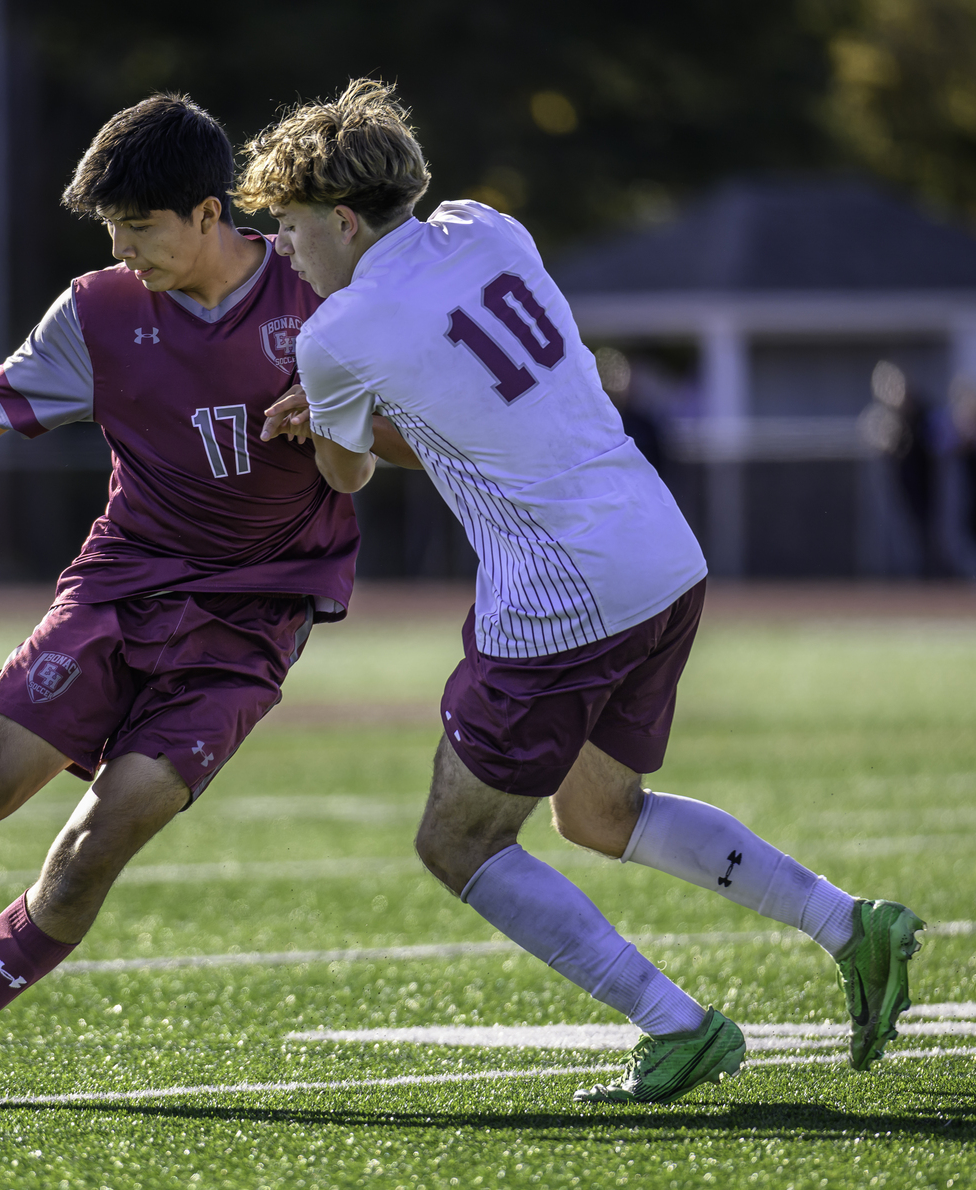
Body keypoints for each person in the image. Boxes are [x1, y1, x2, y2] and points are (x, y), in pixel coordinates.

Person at [239, 80, 925, 1105]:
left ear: (343, 218)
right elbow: (481, 424)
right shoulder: (486, 226)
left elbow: (348, 477)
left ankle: (678, 1026)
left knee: (457, 840)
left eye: (291, 227)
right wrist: (365, 419)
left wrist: (320, 423)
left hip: (559, 599)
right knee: (600, 814)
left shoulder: (339, 333)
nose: (285, 249)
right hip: (660, 555)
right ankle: (847, 924)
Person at [0, 93, 417, 1107]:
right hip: (124, 583)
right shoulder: (98, 311)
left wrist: (341, 421)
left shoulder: (323, 299)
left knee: (101, 838)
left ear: (211, 213)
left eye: (141, 227)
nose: (125, 248)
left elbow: (406, 446)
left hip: (254, 620)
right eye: (112, 230)